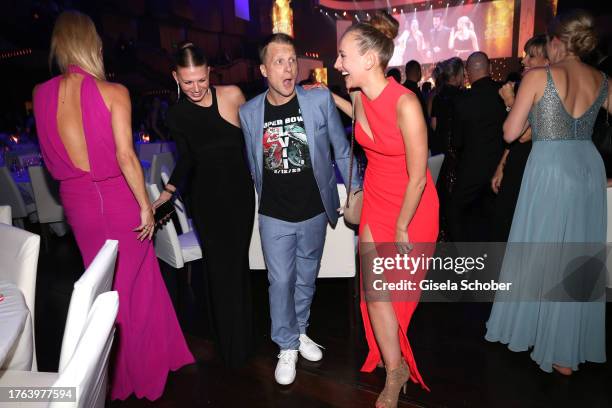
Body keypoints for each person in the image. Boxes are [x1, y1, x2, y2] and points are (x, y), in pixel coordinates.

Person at [32, 11, 194, 401]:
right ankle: (138, 373)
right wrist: (145, 206)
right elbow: (125, 156)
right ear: (93, 46)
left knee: (107, 287)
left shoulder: (40, 94)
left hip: (78, 204)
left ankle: (130, 366)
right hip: (118, 198)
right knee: (132, 287)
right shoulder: (113, 92)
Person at [486, 9, 609, 375]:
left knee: (543, 248)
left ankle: (545, 337)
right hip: (588, 166)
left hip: (551, 167)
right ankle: (564, 349)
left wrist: (510, 99)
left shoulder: (539, 76)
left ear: (556, 42)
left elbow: (510, 133)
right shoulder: (603, 79)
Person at [239, 33, 360, 386]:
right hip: (274, 213)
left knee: (307, 276)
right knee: (280, 282)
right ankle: (286, 344)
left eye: (292, 60)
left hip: (314, 211)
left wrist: (356, 187)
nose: (288, 68)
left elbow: (341, 148)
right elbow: (251, 164)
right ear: (264, 69)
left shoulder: (318, 101)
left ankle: (300, 330)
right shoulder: (249, 112)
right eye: (279, 61)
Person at [335, 11, 439, 407]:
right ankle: (395, 372)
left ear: (368, 60)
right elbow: (366, 126)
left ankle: (395, 361)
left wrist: (400, 227)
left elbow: (417, 176)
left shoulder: (407, 103)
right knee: (375, 290)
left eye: (343, 56)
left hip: (411, 208)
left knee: (397, 295)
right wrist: (326, 97)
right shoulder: (359, 95)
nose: (337, 63)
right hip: (376, 197)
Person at [153, 42, 255, 368]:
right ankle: (228, 347)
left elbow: (254, 144)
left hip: (239, 197)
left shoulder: (233, 95)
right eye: (187, 82)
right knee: (216, 269)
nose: (195, 88)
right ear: (175, 78)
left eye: (200, 79)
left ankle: (243, 340)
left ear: (210, 72)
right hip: (205, 201)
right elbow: (187, 159)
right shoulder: (177, 114)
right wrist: (168, 191)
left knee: (237, 267)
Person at [490, 35, 548, 242]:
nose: (524, 61)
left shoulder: (546, 90)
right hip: (517, 161)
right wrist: (501, 165)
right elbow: (513, 141)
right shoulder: (528, 85)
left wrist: (509, 101)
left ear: (547, 61)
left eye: (531, 56)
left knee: (513, 228)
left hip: (531, 166)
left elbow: (524, 135)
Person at [447, 52, 505, 242]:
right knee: (492, 217)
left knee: (454, 212)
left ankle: (464, 263)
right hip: (502, 167)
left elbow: (457, 141)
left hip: (472, 169)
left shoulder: (463, 100)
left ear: (468, 73)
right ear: (489, 68)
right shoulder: (504, 93)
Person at [430, 57, 465, 241]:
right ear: (459, 75)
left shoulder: (438, 98)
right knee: (456, 196)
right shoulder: (463, 97)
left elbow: (434, 125)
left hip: (441, 151)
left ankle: (441, 231)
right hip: (457, 152)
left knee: (442, 192)